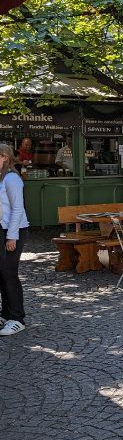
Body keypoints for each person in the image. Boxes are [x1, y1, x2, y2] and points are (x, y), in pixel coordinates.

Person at [0, 144, 29, 336]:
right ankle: (6, 314)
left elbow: (17, 209)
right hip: (1, 229)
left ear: (4, 157)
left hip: (13, 230)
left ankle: (17, 318)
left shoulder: (11, 179)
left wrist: (12, 236)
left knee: (9, 273)